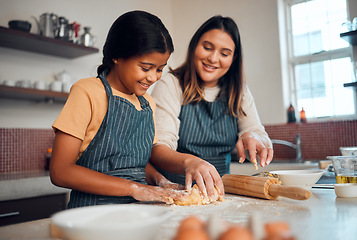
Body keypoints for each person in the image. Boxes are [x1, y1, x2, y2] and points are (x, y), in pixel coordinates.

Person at [50, 10, 184, 208]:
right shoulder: (87, 92)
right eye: (146, 68)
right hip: (92, 214)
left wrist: (160, 181)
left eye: (160, 69)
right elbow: (60, 171)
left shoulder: (148, 104)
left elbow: (134, 163)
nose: (154, 77)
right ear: (117, 56)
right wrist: (135, 189)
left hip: (137, 213)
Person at [149, 15, 274, 200]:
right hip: (177, 194)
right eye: (207, 48)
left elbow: (257, 132)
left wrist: (254, 136)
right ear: (194, 46)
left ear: (234, 58)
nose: (213, 58)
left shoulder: (239, 91)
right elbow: (158, 149)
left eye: (224, 54)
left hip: (220, 194)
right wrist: (191, 162)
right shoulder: (171, 85)